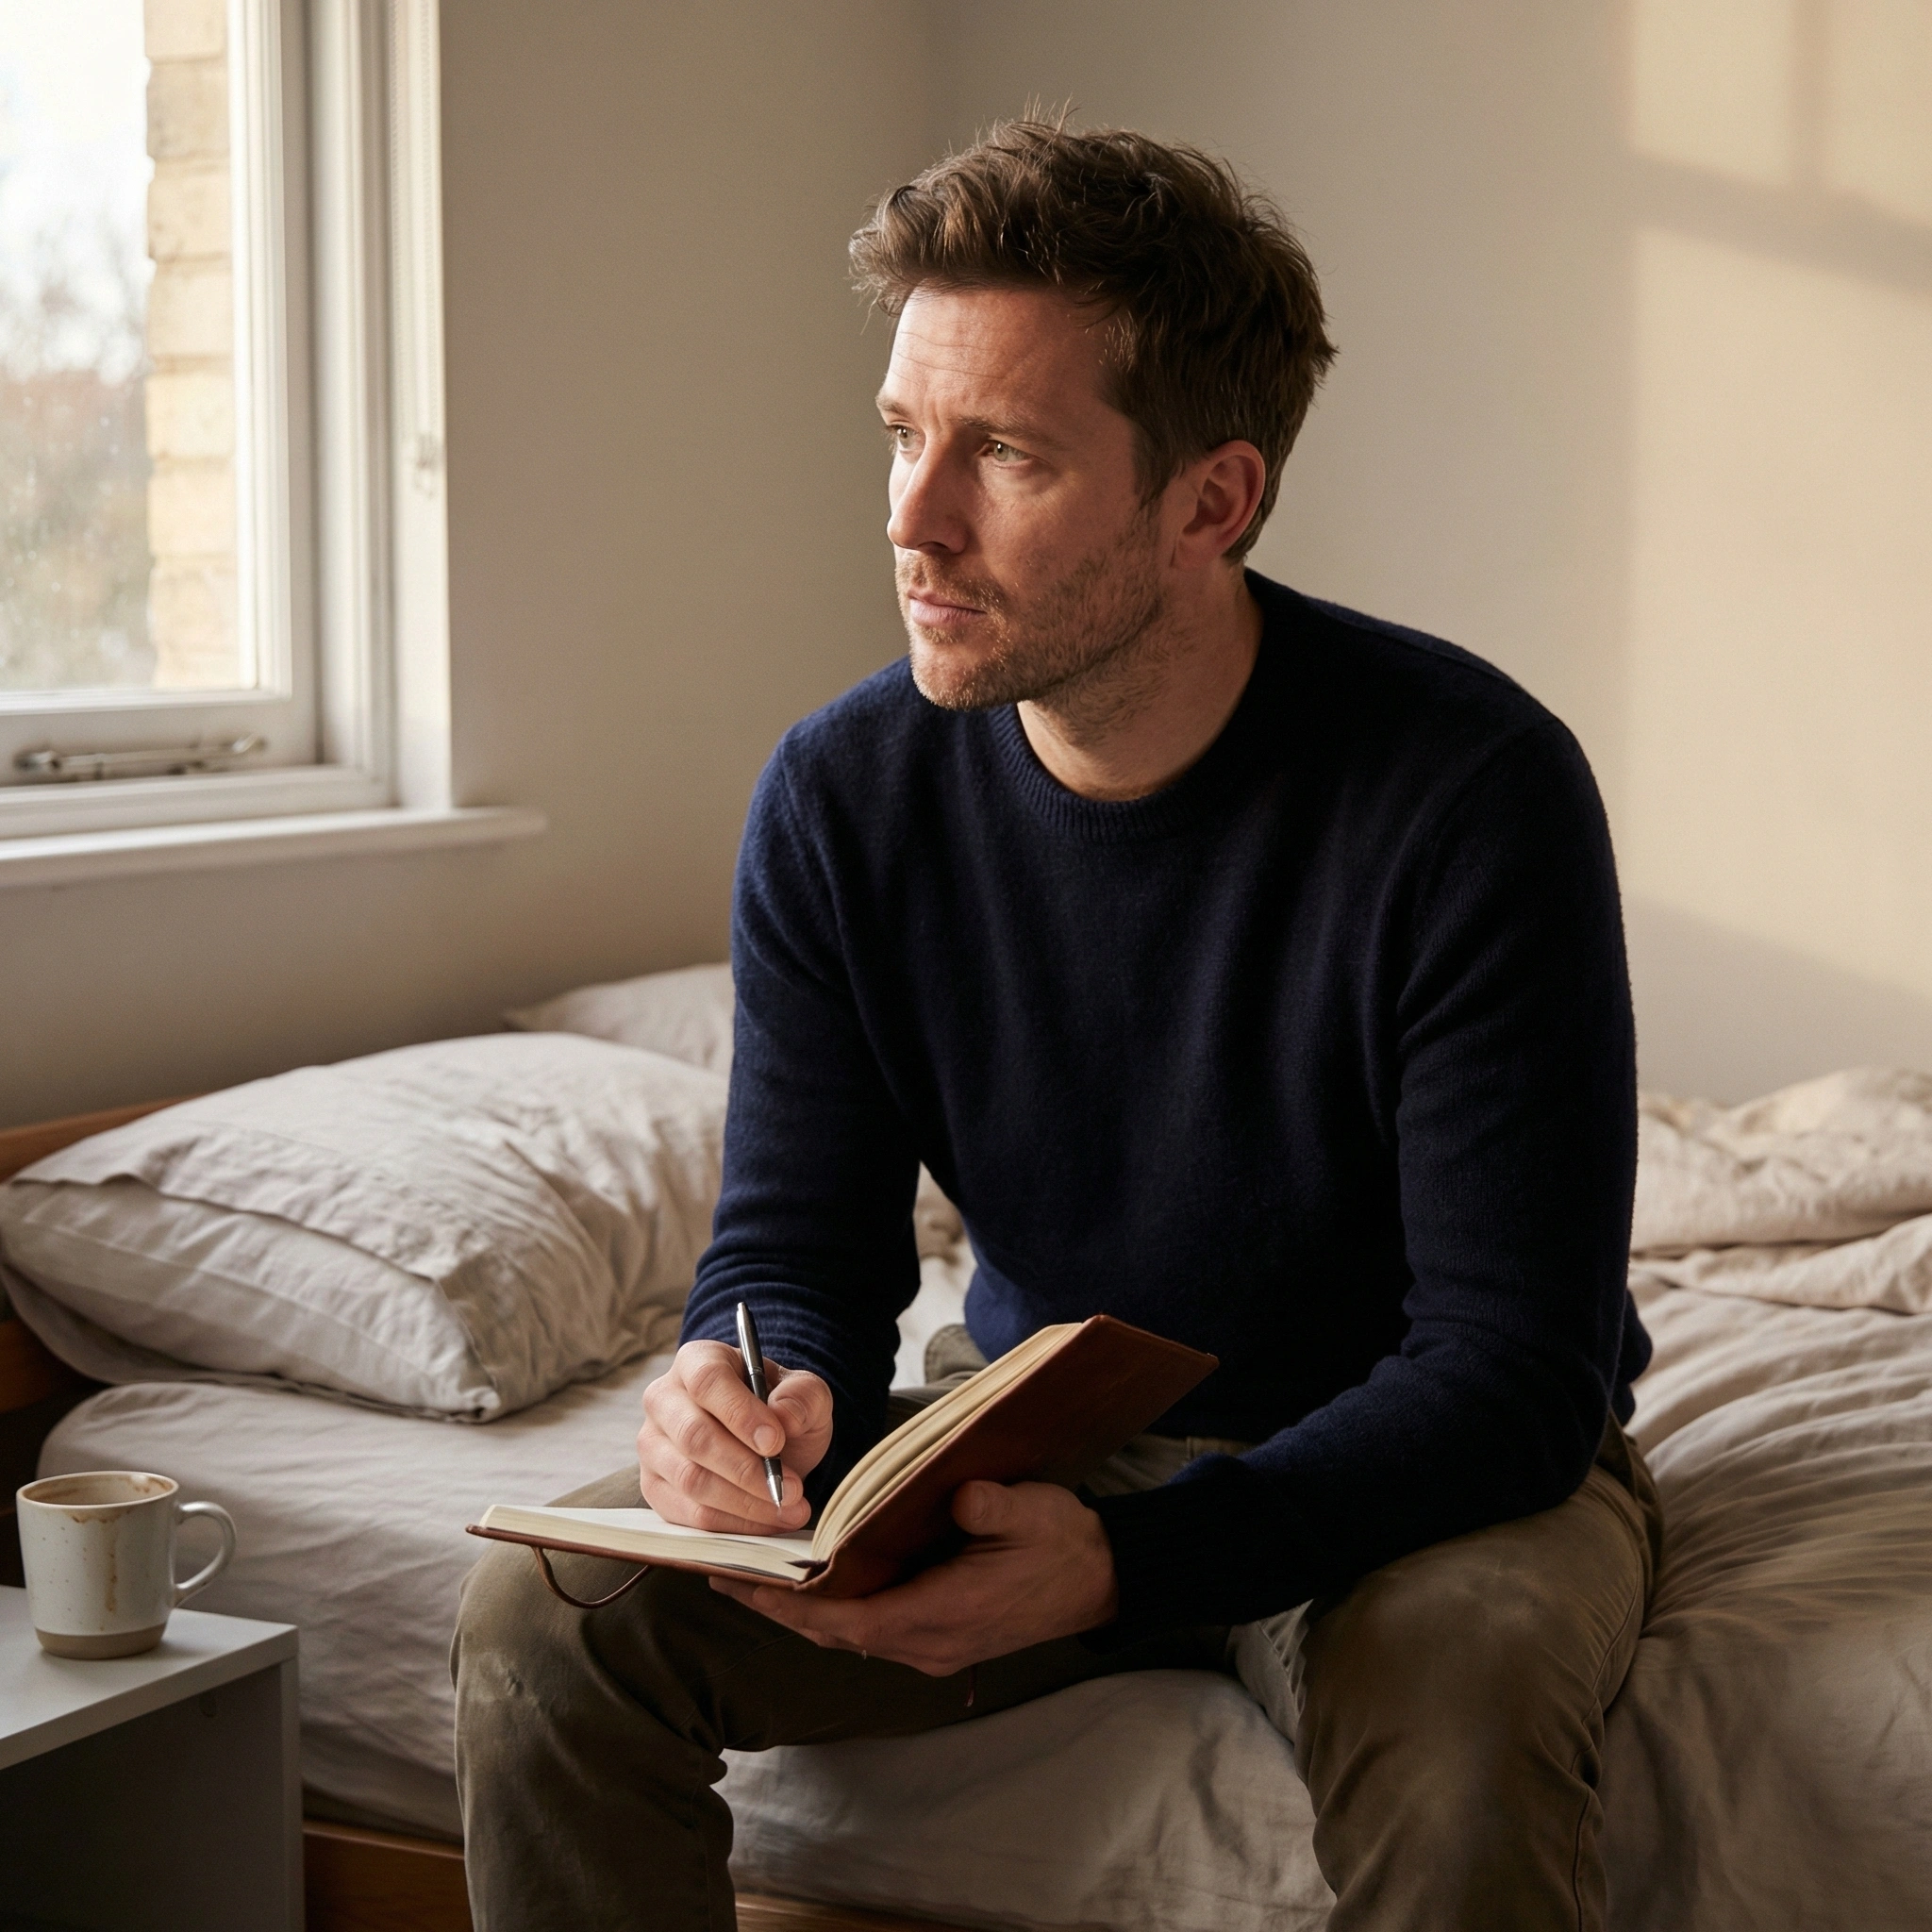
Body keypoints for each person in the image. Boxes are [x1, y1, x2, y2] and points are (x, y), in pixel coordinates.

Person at [453, 119, 1662, 1932]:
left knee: (1466, 1728)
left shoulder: (1470, 789)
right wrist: (746, 1393)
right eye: (902, 434)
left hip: (1422, 1469)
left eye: (1003, 452)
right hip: (1031, 1435)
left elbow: (1517, 1372)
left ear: (1211, 503)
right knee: (542, 1622)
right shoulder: (841, 800)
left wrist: (1128, 1566)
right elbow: (795, 1253)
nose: (911, 518)